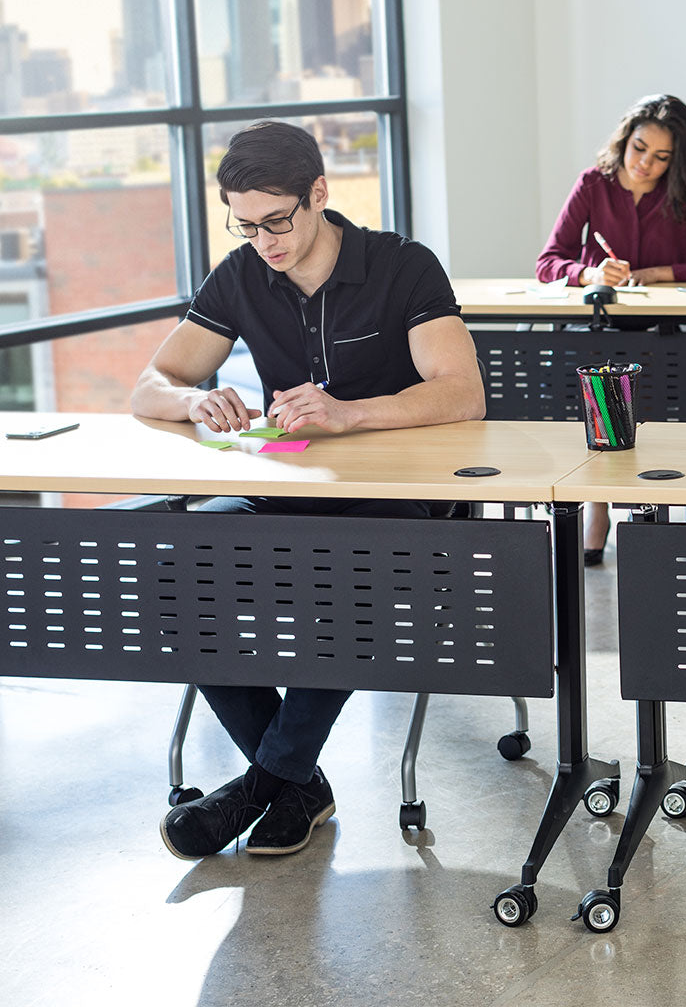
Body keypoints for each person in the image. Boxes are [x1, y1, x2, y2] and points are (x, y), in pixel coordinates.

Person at [131, 120, 486, 859]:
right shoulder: (242, 272)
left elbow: (462, 394)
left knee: (348, 578)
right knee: (175, 571)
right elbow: (149, 385)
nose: (264, 241)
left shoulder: (402, 266)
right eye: (246, 225)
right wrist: (194, 402)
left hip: (403, 503)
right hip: (287, 487)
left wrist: (349, 413)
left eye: (277, 221)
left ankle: (261, 787)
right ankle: (297, 782)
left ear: (319, 193)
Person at [537, 93, 686, 564]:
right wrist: (590, 274)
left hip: (661, 334)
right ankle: (597, 504)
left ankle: (641, 503)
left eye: (660, 157)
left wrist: (661, 273)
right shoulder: (593, 184)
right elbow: (548, 262)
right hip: (598, 327)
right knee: (592, 379)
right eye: (638, 149)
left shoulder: (684, 194)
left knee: (642, 388)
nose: (644, 164)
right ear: (624, 141)